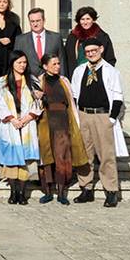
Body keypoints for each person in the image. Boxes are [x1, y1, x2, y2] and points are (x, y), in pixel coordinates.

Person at [70, 40, 128, 208]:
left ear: (101, 49)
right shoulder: (80, 70)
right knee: (84, 155)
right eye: (87, 51)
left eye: (94, 50)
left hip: (102, 116)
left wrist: (111, 119)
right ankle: (86, 188)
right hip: (83, 115)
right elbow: (74, 95)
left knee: (106, 156)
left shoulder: (111, 71)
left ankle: (111, 191)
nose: (91, 53)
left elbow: (118, 97)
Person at [36, 53, 87, 205]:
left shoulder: (64, 80)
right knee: (46, 155)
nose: (58, 66)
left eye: (58, 63)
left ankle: (61, 192)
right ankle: (47, 191)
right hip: (45, 120)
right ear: (45, 66)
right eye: (54, 64)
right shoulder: (39, 81)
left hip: (62, 121)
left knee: (62, 156)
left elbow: (71, 102)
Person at [0, 51, 41, 205]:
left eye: (24, 63)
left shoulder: (32, 80)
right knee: (12, 160)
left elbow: (39, 102)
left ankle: (22, 193)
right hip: (11, 124)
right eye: (19, 62)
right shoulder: (2, 82)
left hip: (27, 123)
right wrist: (12, 119)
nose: (22, 65)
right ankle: (13, 192)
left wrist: (29, 117)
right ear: (12, 63)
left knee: (24, 161)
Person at [13, 7, 66, 80]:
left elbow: (61, 60)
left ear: (44, 20)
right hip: (29, 81)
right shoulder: (21, 40)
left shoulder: (56, 38)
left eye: (38, 21)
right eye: (32, 21)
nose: (35, 24)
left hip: (52, 80)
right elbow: (16, 62)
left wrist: (62, 80)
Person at [64, 6, 116, 73]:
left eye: (88, 19)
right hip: (76, 75)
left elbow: (110, 59)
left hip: (97, 75)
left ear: (93, 20)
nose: (85, 22)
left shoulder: (102, 37)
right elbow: (66, 59)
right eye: (82, 19)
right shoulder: (72, 37)